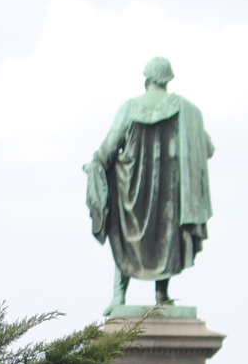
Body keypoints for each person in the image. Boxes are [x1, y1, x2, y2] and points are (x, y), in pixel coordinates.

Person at [84, 57, 215, 315]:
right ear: (168, 80)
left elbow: (108, 149)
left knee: (123, 236)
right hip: (170, 192)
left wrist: (94, 166)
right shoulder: (188, 110)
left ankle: (119, 295)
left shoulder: (130, 108)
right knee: (164, 237)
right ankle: (161, 293)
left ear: (147, 79)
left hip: (130, 188)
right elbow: (207, 149)